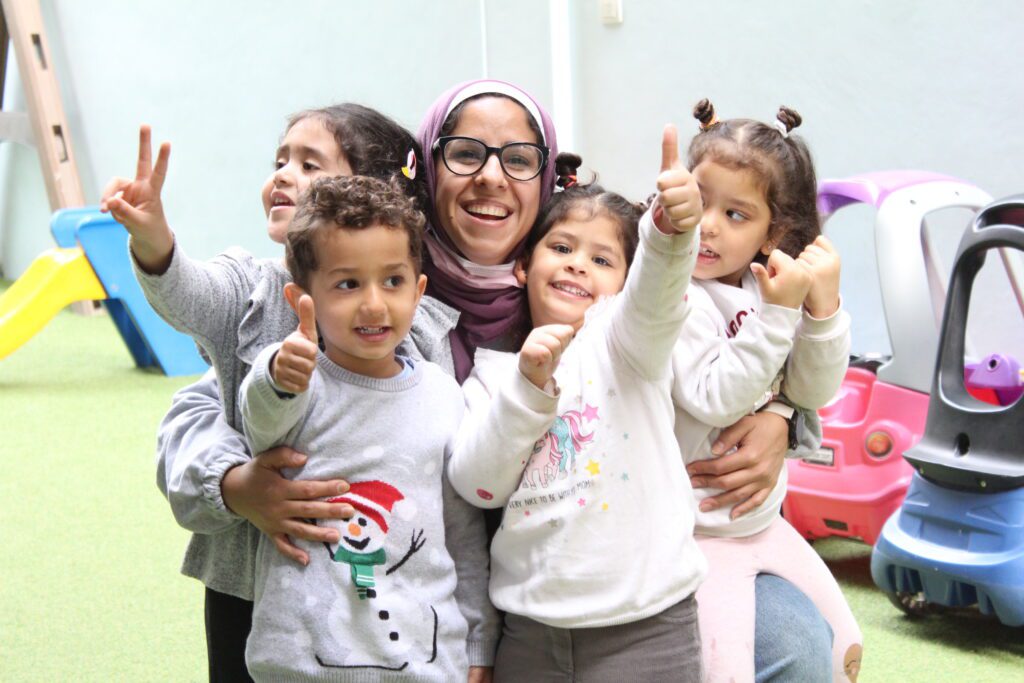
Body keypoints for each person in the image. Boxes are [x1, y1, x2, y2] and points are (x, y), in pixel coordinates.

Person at [153, 79, 832, 680]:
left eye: (518, 159)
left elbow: (680, 318)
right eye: (465, 153)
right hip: (388, 587)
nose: (490, 177)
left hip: (612, 574)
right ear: (422, 175)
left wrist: (785, 413)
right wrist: (234, 484)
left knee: (795, 646)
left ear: (545, 182)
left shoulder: (590, 297)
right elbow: (208, 405)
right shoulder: (362, 290)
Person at [100, 105, 495, 681]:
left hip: (383, 606)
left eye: (310, 164)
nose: (284, 174)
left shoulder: (420, 333)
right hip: (253, 580)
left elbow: (442, 493)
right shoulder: (254, 286)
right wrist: (156, 243)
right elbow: (190, 296)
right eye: (280, 160)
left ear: (375, 195)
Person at [447, 135, 708, 682]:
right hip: (531, 632)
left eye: (602, 258)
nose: (578, 266)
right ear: (523, 266)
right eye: (561, 248)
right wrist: (528, 389)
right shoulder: (493, 375)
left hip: (645, 627)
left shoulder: (628, 345)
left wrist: (670, 233)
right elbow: (479, 486)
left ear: (625, 282)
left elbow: (658, 298)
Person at [239, 175, 483, 679]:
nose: (374, 303)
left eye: (392, 281)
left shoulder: (442, 395)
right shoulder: (298, 381)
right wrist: (278, 375)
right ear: (299, 299)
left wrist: (479, 641)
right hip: (301, 666)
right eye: (347, 284)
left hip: (424, 665)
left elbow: (462, 534)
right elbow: (261, 422)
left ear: (418, 292)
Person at [672, 99, 861, 681]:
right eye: (702, 200)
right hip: (700, 532)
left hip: (763, 521)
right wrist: (778, 316)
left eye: (735, 214)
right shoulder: (677, 294)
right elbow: (714, 398)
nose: (708, 224)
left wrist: (822, 310)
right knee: (727, 667)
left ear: (770, 233)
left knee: (844, 648)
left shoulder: (766, 289)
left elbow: (812, 390)